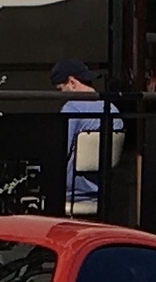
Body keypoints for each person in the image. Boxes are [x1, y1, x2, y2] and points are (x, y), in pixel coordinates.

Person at [51, 58, 119, 209]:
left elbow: (59, 155)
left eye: (61, 89)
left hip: (70, 196)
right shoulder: (112, 110)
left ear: (72, 82)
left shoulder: (72, 109)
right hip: (103, 196)